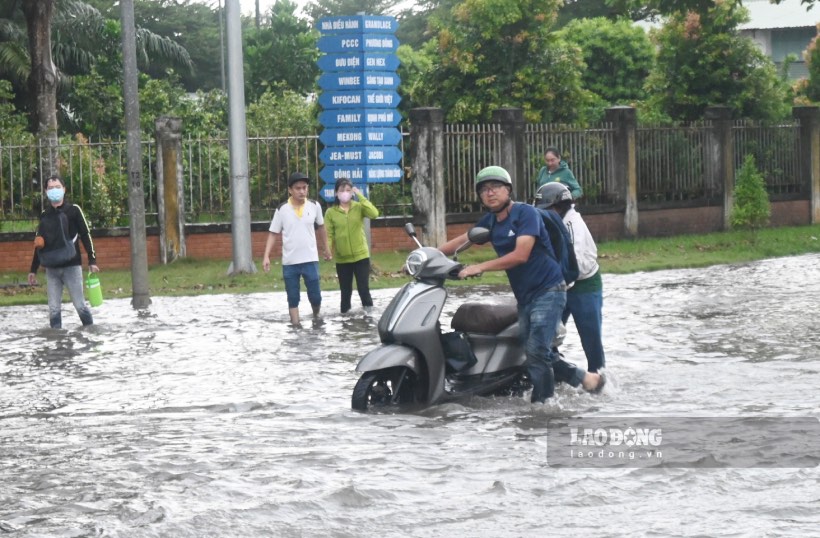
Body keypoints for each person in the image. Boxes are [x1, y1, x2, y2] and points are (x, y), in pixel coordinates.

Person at [438, 166, 604, 403]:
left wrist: (480, 266)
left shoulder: (527, 214)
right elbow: (464, 240)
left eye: (495, 187)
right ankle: (587, 380)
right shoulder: (490, 221)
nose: (490, 193)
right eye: (484, 189)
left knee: (536, 351)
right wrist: (425, 254)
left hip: (549, 290)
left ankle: (542, 405)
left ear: (508, 190)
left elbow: (520, 255)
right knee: (535, 352)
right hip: (526, 296)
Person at [536, 182, 606, 373]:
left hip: (584, 285)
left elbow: (576, 266)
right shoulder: (552, 222)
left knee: (590, 337)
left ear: (561, 207)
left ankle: (598, 377)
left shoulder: (572, 226)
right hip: (561, 283)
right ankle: (558, 372)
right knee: (548, 334)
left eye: (549, 208)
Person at [28, 175, 100, 329]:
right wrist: (33, 270)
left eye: (57, 187)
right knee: (53, 309)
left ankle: (90, 332)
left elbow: (86, 235)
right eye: (51, 187)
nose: (54, 190)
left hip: (72, 266)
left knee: (80, 305)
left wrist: (92, 260)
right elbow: (39, 243)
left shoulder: (74, 210)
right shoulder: (44, 215)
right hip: (51, 268)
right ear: (46, 191)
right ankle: (57, 342)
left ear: (64, 189)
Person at [262, 172, 332, 327]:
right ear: (290, 190)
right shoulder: (282, 209)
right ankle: (295, 325)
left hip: (310, 259)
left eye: (304, 188)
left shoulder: (314, 206)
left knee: (315, 295)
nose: (301, 191)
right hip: (290, 261)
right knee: (292, 296)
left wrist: (326, 248)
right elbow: (273, 233)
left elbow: (321, 227)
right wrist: (266, 256)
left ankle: (316, 315)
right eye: (298, 188)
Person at [324, 178, 380, 313]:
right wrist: (328, 250)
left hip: (361, 256)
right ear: (336, 193)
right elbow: (329, 234)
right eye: (342, 190)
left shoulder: (359, 207)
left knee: (363, 289)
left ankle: (369, 317)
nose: (345, 193)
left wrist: (360, 195)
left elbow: (374, 213)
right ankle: (345, 321)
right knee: (345, 292)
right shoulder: (331, 212)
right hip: (343, 259)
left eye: (348, 190)